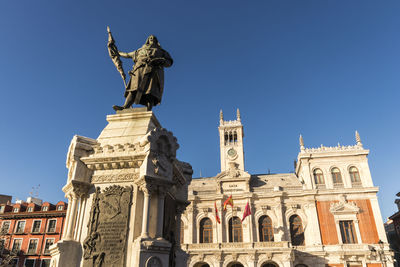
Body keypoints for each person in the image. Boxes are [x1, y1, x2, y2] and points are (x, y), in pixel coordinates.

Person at [112, 35, 173, 111]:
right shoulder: (139, 51)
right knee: (133, 89)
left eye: (154, 38)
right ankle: (125, 107)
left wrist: (160, 60)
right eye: (150, 38)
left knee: (150, 91)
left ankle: (148, 110)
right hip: (139, 71)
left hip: (153, 71)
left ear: (156, 41)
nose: (152, 38)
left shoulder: (162, 52)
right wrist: (117, 52)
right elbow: (127, 55)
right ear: (147, 40)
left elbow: (169, 62)